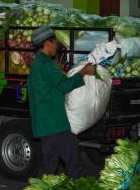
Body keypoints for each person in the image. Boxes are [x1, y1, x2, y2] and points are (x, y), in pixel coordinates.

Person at [28, 26, 95, 178]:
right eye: (55, 43)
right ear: (47, 43)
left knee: (49, 167)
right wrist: (83, 72)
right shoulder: (46, 64)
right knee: (73, 161)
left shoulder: (38, 63)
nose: (57, 46)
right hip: (55, 123)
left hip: (44, 125)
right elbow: (65, 86)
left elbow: (53, 84)